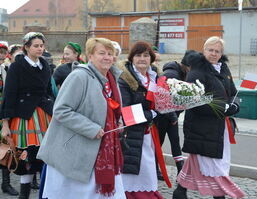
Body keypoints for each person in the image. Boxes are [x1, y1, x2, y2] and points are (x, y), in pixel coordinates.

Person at [37, 37, 126, 199]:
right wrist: (91, 128)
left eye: (110, 53)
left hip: (102, 151)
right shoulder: (79, 76)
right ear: (90, 56)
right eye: (101, 53)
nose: (107, 57)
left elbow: (111, 109)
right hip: (75, 154)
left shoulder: (112, 79)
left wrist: (118, 121)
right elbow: (61, 110)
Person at [173, 36, 245, 199]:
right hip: (202, 127)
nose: (213, 54)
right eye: (210, 50)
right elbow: (193, 101)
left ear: (221, 53)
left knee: (198, 160)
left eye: (217, 51)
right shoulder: (197, 72)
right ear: (204, 50)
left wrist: (235, 105)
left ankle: (180, 191)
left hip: (220, 126)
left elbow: (233, 92)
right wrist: (223, 108)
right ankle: (221, 195)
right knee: (214, 164)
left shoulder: (224, 69)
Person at [1, 32, 54, 199]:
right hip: (25, 116)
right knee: (26, 157)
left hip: (45, 113)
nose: (40, 49)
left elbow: (48, 91)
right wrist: (5, 123)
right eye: (36, 46)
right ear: (26, 47)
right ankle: (24, 195)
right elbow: (9, 94)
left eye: (41, 45)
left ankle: (45, 192)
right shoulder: (17, 66)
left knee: (45, 155)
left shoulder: (45, 65)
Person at [118, 41, 165, 199]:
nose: (142, 59)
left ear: (151, 59)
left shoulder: (155, 77)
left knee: (148, 167)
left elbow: (160, 101)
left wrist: (170, 109)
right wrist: (150, 114)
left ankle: (146, 193)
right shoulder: (124, 79)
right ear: (131, 58)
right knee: (133, 168)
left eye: (146, 55)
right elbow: (125, 110)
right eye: (138, 55)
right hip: (131, 132)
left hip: (148, 132)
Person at [156, 50, 196, 179]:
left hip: (171, 116)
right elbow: (162, 96)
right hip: (162, 117)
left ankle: (180, 171)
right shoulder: (171, 74)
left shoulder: (182, 74)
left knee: (175, 142)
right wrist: (173, 116)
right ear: (187, 66)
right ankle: (156, 169)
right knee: (159, 143)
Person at [0, 42, 20, 196]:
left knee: (5, 147)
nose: (1, 56)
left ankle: (5, 184)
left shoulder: (5, 69)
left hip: (3, 112)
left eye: (2, 53)